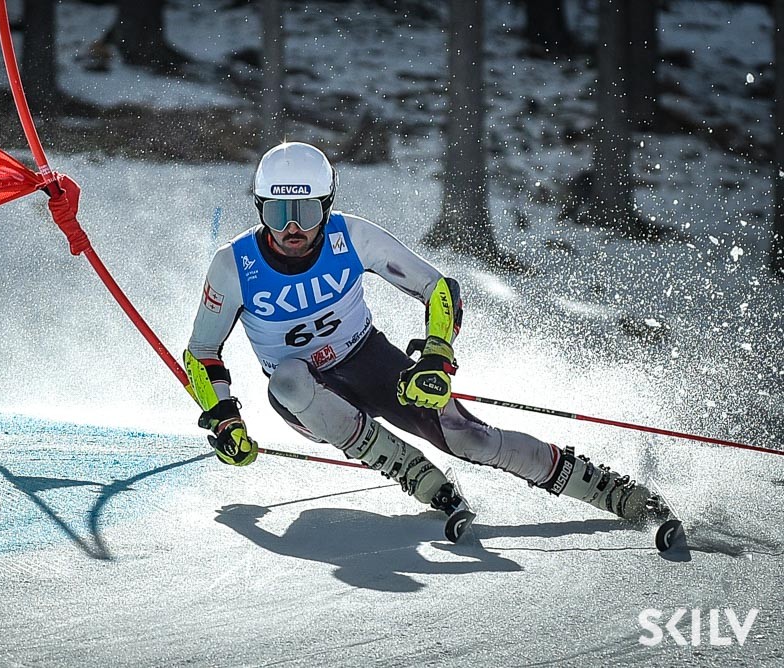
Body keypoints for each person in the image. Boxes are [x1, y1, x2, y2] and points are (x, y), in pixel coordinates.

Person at [184, 141, 667, 541]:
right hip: (308, 401)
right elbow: (201, 352)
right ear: (260, 208)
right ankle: (406, 467)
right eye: (278, 213)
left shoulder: (352, 237)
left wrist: (437, 355)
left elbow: (438, 289)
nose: (292, 228)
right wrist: (225, 418)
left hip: (368, 361)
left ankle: (609, 491)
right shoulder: (234, 266)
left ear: (326, 206)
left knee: (468, 438)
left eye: (306, 212)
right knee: (287, 379)